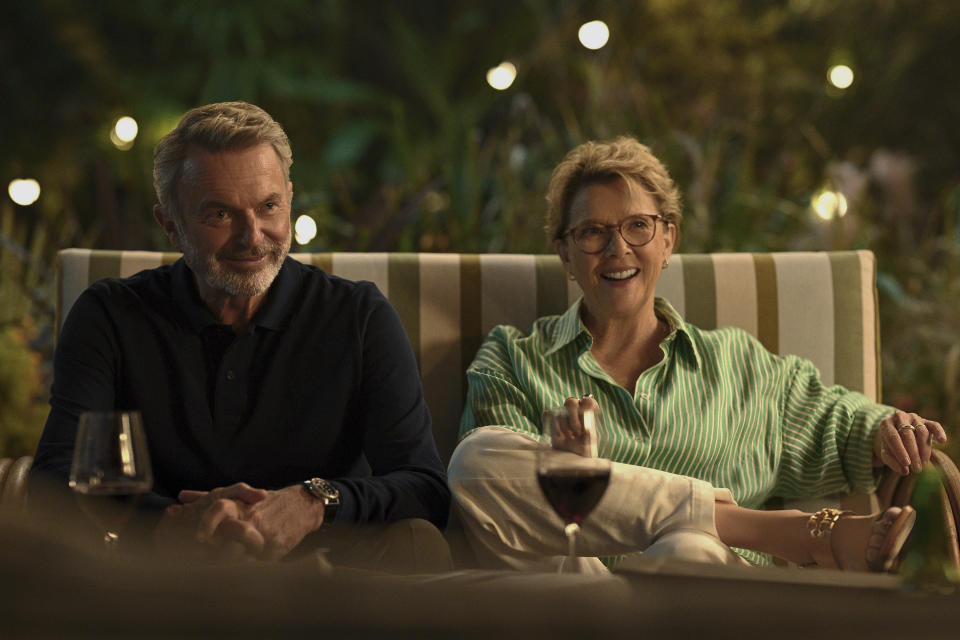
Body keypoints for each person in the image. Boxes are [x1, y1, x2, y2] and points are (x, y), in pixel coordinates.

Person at [447, 136, 947, 573]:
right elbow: (494, 506)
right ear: (566, 255)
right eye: (593, 232)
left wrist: (887, 429)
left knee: (687, 552)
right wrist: (570, 475)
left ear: (668, 240)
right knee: (474, 459)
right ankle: (773, 530)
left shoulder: (738, 365)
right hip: (576, 595)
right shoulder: (512, 357)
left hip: (701, 600)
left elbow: (836, 421)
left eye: (638, 226)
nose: (617, 248)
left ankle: (704, 530)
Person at [31, 101, 450, 567]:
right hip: (159, 584)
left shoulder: (359, 315)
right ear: (170, 225)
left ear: (289, 199)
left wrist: (313, 502)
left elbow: (425, 488)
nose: (252, 236)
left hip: (328, 586)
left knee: (419, 545)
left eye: (268, 206)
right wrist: (171, 522)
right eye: (219, 215)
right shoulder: (110, 315)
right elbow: (54, 481)